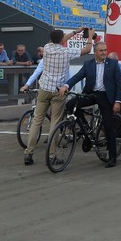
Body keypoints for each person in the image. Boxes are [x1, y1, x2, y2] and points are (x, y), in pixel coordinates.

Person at [23, 27, 93, 165]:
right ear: (62, 39)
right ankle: (52, 155)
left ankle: (28, 152)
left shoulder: (47, 47)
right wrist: (89, 37)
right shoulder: (66, 52)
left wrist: (75, 32)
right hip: (58, 90)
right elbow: (87, 50)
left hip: (44, 87)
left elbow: (59, 40)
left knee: (37, 121)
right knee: (55, 123)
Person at [59, 41, 121, 168]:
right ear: (95, 52)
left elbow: (119, 85)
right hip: (91, 94)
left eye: (105, 50)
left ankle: (112, 157)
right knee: (71, 104)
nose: (104, 52)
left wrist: (117, 101)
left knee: (108, 125)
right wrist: (66, 85)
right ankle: (86, 130)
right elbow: (77, 76)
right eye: (101, 50)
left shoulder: (113, 64)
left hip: (106, 96)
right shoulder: (88, 64)